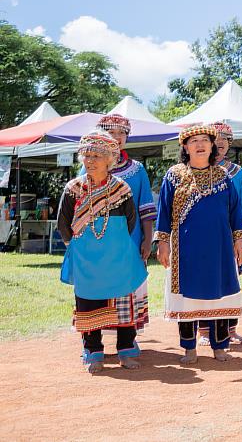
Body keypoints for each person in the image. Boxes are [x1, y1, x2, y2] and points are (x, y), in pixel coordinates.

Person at [154, 125, 242, 364]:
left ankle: (219, 346)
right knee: (186, 298)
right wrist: (162, 243)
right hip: (185, 249)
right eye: (194, 140)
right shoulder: (174, 175)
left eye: (205, 139)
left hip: (219, 247)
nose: (200, 144)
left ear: (213, 145)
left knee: (220, 294)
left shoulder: (223, 177)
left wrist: (238, 240)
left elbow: (235, 211)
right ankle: (189, 348)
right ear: (185, 146)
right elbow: (163, 212)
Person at [57, 131, 147, 373]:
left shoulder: (121, 189)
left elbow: (130, 221)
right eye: (87, 155)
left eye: (97, 155)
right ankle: (93, 351)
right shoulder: (74, 188)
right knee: (87, 301)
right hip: (85, 257)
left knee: (122, 301)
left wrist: (115, 246)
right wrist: (77, 249)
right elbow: (63, 223)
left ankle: (126, 350)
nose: (91, 160)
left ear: (110, 159)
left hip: (117, 256)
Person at [90, 114, 154, 332]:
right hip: (96, 242)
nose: (116, 137)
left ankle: (126, 339)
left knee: (128, 287)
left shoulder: (136, 169)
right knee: (96, 286)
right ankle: (93, 339)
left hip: (130, 240)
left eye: (121, 133)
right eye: (111, 132)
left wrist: (148, 239)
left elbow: (145, 207)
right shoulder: (89, 166)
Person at [197, 121, 242, 346]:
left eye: (225, 139)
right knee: (203, 278)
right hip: (204, 233)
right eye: (216, 138)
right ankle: (202, 330)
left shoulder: (236, 171)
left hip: (230, 233)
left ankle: (230, 328)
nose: (220, 142)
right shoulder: (194, 168)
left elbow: (241, 204)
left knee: (230, 280)